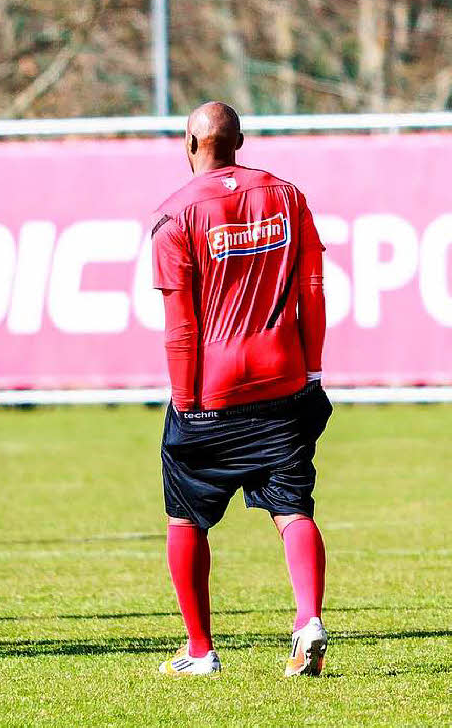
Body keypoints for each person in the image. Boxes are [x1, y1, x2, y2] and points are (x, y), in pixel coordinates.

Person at [150, 102, 331, 677]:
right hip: (284, 381)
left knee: (185, 519)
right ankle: (308, 620)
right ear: (241, 141)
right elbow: (313, 290)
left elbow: (180, 323)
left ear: (189, 144)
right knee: (293, 509)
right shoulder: (288, 195)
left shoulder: (174, 214)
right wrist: (313, 371)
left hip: (212, 393)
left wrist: (184, 398)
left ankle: (200, 650)